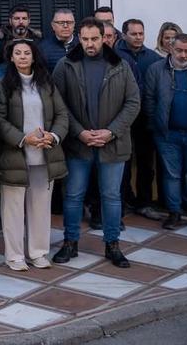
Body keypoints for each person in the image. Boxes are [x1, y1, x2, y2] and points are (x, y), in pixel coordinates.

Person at [52, 18, 140, 269]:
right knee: (73, 196)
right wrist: (79, 132)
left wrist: (111, 132)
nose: (89, 44)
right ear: (79, 37)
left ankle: (112, 244)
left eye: (94, 38)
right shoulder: (65, 65)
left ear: (105, 38)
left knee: (111, 197)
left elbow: (133, 103)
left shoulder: (121, 65)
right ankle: (70, 242)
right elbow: (58, 104)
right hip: (78, 145)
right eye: (85, 39)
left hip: (112, 144)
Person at [0, 39, 68, 271]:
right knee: (12, 208)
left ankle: (38, 252)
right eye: (18, 53)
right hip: (15, 156)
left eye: (27, 53)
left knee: (41, 207)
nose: (23, 56)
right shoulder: (3, 85)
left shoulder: (47, 84)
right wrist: (23, 138)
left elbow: (62, 114)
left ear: (34, 57)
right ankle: (14, 255)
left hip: (45, 155)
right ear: (12, 58)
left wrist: (53, 136)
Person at [118, 19, 164, 219]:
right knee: (124, 162)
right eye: (134, 34)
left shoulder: (153, 58)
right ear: (124, 34)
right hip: (123, 119)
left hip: (145, 119)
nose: (138, 37)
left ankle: (145, 202)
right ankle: (126, 199)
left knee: (146, 162)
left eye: (141, 33)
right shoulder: (116, 56)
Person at [144, 33, 187, 230]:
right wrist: (157, 125)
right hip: (167, 134)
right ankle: (174, 213)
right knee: (172, 175)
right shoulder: (156, 69)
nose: (183, 55)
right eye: (179, 50)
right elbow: (149, 99)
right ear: (171, 48)